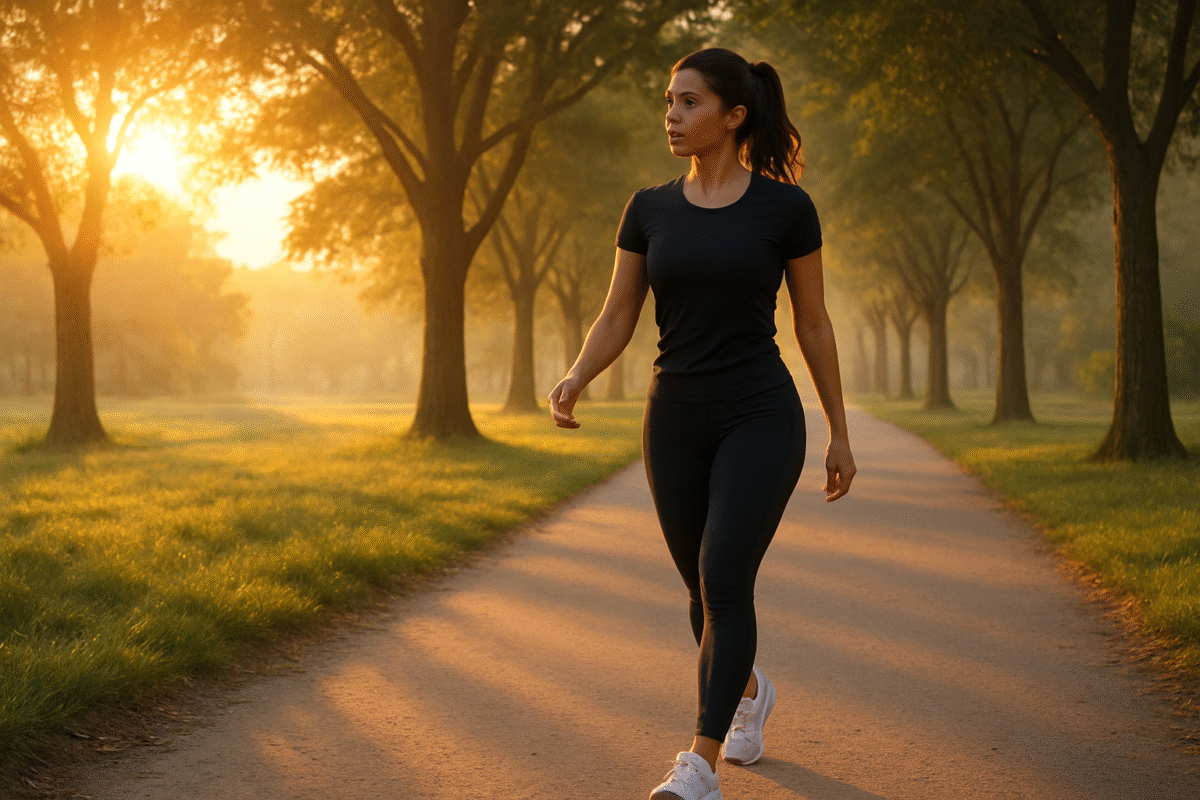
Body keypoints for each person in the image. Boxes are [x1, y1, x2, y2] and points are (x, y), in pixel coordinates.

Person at [547, 47, 856, 800]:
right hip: (674, 416)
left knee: (723, 576)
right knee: (701, 589)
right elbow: (619, 311)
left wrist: (839, 430)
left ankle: (699, 766)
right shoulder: (648, 208)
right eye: (669, 102)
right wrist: (578, 373)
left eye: (689, 103)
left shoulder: (785, 209)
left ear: (734, 116)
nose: (673, 117)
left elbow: (813, 324)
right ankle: (749, 693)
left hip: (759, 411)